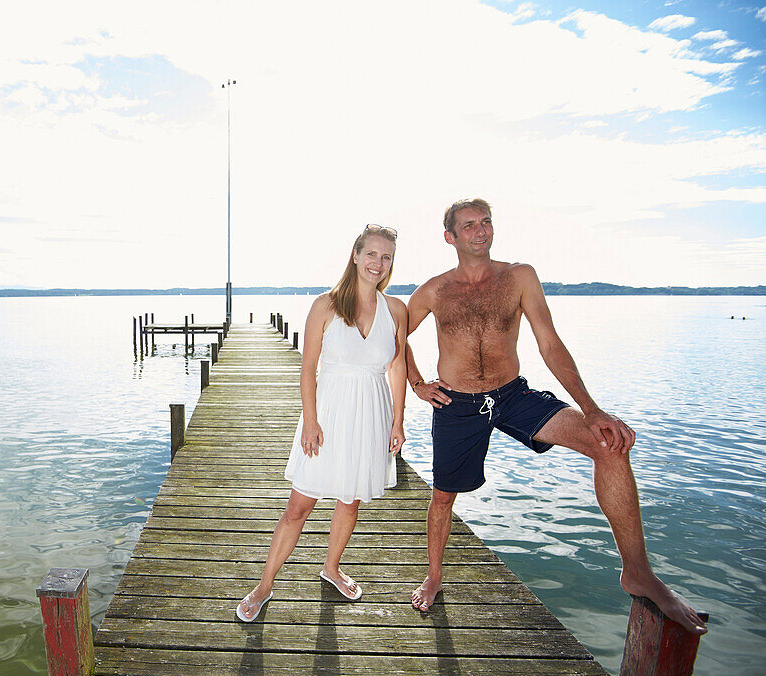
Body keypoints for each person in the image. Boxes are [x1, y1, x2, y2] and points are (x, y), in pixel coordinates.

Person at [404, 198, 707, 635]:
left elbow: (549, 344)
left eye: (486, 222)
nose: (481, 230)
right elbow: (395, 335)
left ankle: (637, 571)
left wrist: (593, 409)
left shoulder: (518, 277)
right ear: (450, 236)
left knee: (608, 444)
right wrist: (417, 383)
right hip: (458, 404)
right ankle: (434, 576)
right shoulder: (435, 290)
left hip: (513, 395)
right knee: (444, 497)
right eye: (469, 225)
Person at [236, 224, 409, 622]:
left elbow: (397, 365)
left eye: (386, 257)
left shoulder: (396, 310)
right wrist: (310, 421)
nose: (378, 263)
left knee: (350, 500)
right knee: (299, 505)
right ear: (355, 255)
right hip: (328, 414)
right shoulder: (326, 305)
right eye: (372, 254)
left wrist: (398, 421)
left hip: (372, 413)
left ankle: (331, 568)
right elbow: (308, 367)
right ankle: (264, 585)